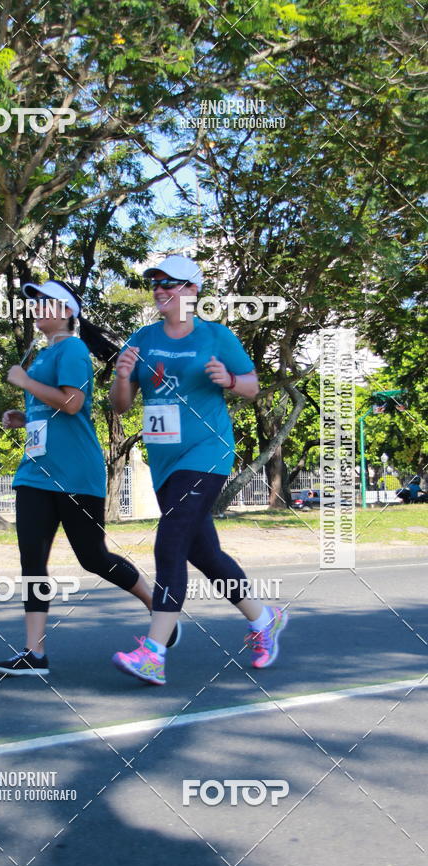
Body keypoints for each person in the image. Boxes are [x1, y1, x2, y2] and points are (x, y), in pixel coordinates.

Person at [109, 255, 288, 685]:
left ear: (191, 290)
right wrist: (121, 375)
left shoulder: (216, 336)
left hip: (208, 452)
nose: (158, 289)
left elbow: (252, 387)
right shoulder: (143, 338)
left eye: (167, 282)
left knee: (169, 542)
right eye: (153, 282)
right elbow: (121, 405)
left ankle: (153, 653)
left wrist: (227, 380)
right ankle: (264, 618)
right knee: (203, 552)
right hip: (165, 460)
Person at [0, 278, 180, 677]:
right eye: (35, 303)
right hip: (35, 474)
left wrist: (24, 383)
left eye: (45, 302)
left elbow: (73, 403)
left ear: (66, 312)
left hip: (75, 475)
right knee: (32, 563)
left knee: (93, 557)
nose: (37, 308)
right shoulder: (43, 354)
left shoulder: (73, 349)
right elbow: (52, 409)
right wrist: (23, 418)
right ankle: (33, 653)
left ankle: (158, 606)